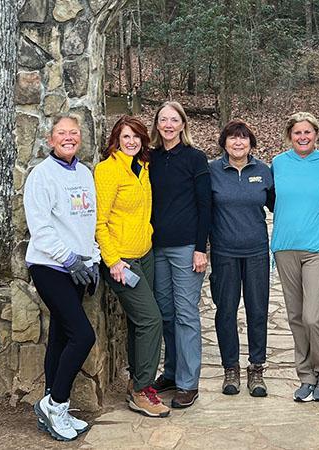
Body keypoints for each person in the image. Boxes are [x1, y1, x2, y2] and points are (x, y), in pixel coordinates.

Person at [25, 115, 101, 442]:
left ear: (79, 139)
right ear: (50, 139)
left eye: (74, 133)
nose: (68, 138)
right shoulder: (40, 176)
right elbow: (40, 230)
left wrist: (93, 260)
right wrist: (70, 259)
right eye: (62, 133)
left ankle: (54, 405)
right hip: (50, 267)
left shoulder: (84, 173)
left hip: (79, 269)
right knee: (83, 336)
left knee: (60, 335)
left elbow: (88, 224)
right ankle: (55, 403)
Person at [93, 115, 170, 418]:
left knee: (139, 322)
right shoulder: (108, 170)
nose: (132, 142)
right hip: (122, 262)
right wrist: (113, 261)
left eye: (136, 137)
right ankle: (143, 389)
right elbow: (100, 223)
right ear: (116, 139)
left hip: (146, 255)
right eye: (126, 137)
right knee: (152, 320)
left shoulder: (144, 167)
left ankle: (135, 384)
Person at [270, 112, 319, 403]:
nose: (303, 137)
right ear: (290, 135)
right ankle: (306, 376)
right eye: (297, 133)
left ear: (316, 134)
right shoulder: (278, 163)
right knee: (296, 317)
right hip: (285, 247)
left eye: (308, 132)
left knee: (314, 316)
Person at [148, 101, 211, 409]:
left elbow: (205, 206)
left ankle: (188, 383)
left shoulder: (196, 159)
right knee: (165, 314)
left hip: (187, 248)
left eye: (174, 119)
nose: (169, 124)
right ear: (157, 125)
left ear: (183, 124)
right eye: (163, 120)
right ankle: (171, 372)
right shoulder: (150, 159)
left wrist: (201, 248)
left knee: (186, 314)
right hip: (155, 248)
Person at [207, 120, 274, 397]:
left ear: (251, 143)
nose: (238, 143)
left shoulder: (264, 172)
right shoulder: (212, 171)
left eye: (244, 139)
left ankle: (256, 369)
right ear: (224, 142)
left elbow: (281, 206)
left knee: (257, 311)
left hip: (256, 251)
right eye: (233, 138)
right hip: (224, 252)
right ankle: (230, 369)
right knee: (226, 311)